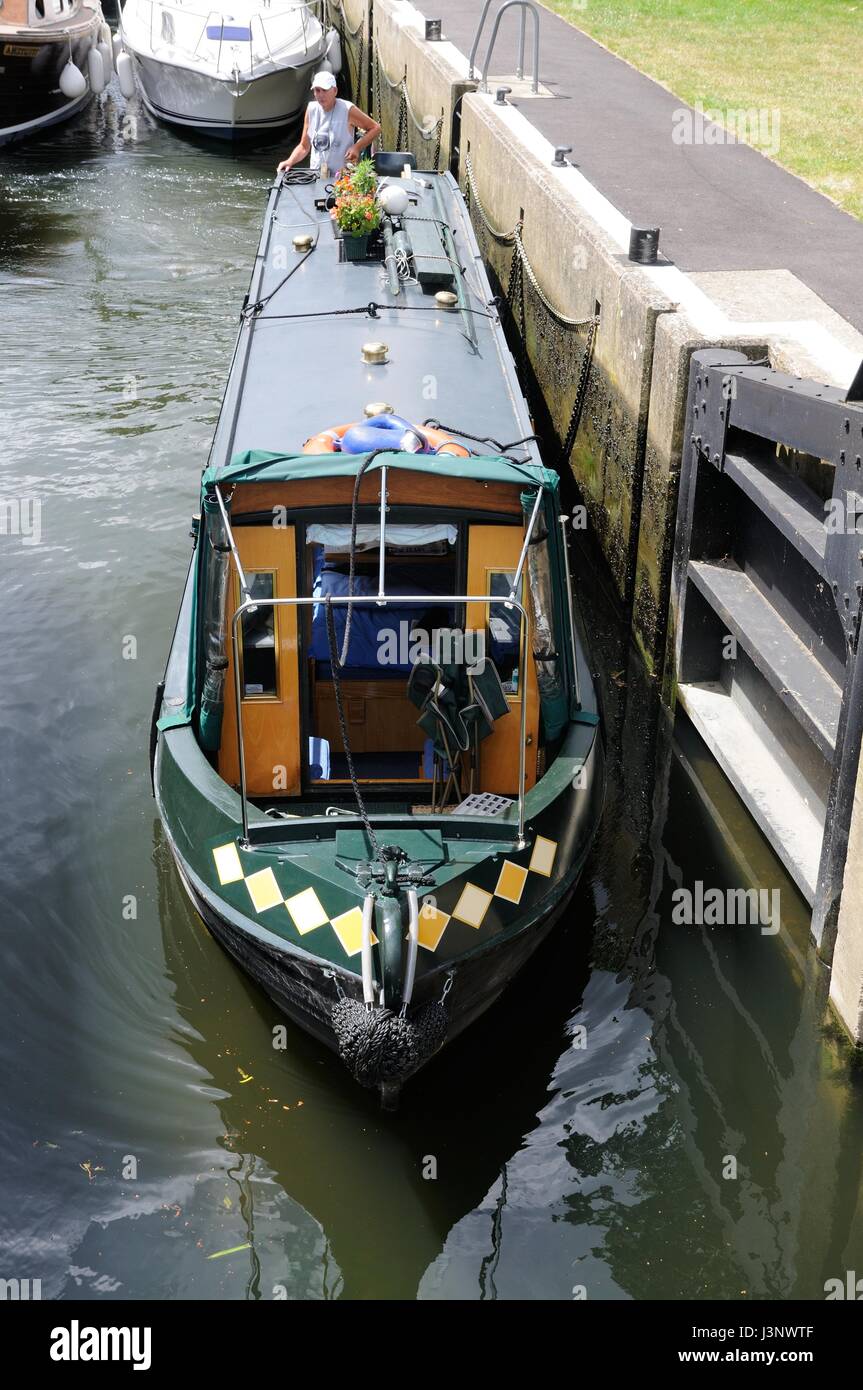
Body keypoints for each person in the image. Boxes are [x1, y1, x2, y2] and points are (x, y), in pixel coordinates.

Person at [277, 71, 380, 178]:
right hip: (317, 175)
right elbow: (304, 146)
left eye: (325, 90)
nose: (321, 95)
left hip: (342, 177)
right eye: (317, 90)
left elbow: (375, 128)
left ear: (335, 91)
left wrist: (357, 147)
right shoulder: (311, 109)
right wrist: (290, 161)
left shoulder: (347, 109)